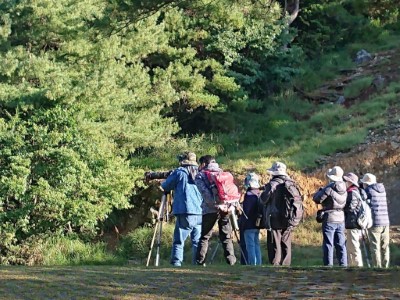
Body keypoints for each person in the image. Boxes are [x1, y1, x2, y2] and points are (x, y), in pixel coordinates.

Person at [161, 152, 203, 267]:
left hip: (185, 211)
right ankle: (198, 263)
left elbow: (165, 186)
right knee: (197, 241)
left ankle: (176, 262)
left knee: (179, 240)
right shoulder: (200, 173)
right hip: (200, 211)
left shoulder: (179, 172)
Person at [195, 156, 236, 266]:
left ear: (203, 164)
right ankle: (231, 261)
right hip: (226, 207)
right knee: (226, 236)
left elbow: (205, 193)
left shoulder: (201, 175)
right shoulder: (223, 173)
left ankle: (200, 262)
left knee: (205, 236)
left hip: (210, 209)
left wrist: (215, 205)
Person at [260, 162, 300, 266]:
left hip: (274, 217)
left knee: (275, 241)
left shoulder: (272, 184)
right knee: (286, 241)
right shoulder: (291, 183)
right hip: (289, 216)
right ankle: (286, 264)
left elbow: (263, 200)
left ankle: (275, 264)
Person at [313, 166, 348, 267]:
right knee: (341, 244)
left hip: (330, 218)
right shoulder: (344, 187)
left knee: (329, 244)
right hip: (341, 218)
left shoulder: (329, 188)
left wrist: (321, 190)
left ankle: (329, 266)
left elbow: (317, 199)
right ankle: (343, 265)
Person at [361, 173, 390, 268]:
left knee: (375, 247)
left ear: (366, 183)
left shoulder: (368, 190)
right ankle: (386, 267)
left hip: (375, 222)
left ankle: (377, 268)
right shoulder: (382, 190)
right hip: (385, 221)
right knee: (385, 247)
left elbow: (363, 201)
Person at [241, 172, 262, 265]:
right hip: (257, 223)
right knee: (256, 244)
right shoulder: (259, 194)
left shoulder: (249, 195)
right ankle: (258, 263)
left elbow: (246, 211)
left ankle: (252, 264)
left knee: (250, 245)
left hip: (249, 224)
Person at [343, 172, 363, 267]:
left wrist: (342, 207)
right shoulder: (354, 191)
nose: (344, 182)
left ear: (350, 182)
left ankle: (358, 267)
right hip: (352, 223)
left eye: (346, 180)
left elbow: (350, 208)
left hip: (353, 223)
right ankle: (352, 266)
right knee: (350, 246)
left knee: (354, 247)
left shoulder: (352, 193)